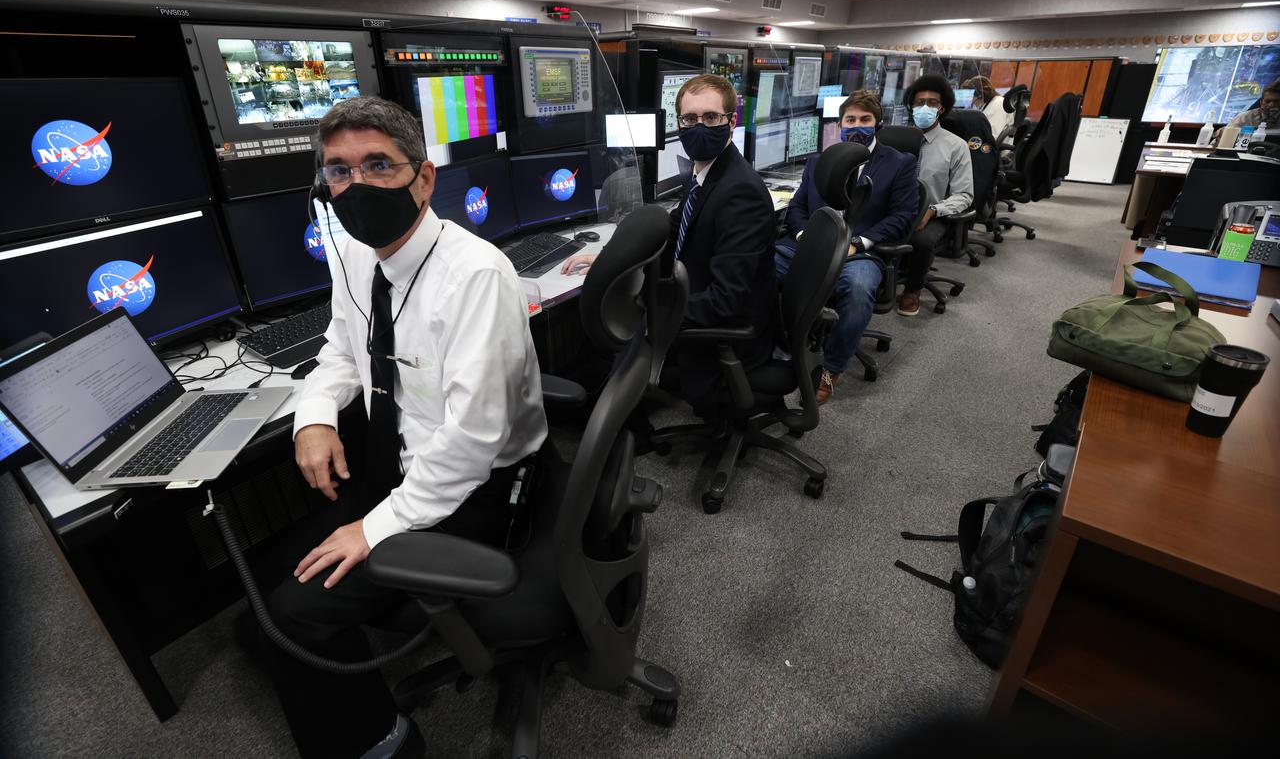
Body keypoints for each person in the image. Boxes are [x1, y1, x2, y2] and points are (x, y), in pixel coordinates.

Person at [264, 97, 547, 759]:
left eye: (377, 165)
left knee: (293, 612)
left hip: (479, 487)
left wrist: (374, 527)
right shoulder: (357, 254)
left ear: (423, 178)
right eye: (338, 171)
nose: (354, 185)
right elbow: (340, 346)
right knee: (277, 572)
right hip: (400, 462)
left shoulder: (475, 275)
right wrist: (314, 416)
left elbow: (473, 444)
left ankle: (382, 743)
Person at [561, 73, 776, 410]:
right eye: (690, 118)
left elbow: (726, 300)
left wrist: (649, 308)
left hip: (726, 333)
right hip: (697, 299)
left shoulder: (740, 192)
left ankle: (606, 424)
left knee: (609, 336)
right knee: (597, 334)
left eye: (711, 117)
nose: (699, 126)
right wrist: (610, 260)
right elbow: (673, 227)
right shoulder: (706, 173)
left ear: (731, 122)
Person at [776, 90, 918, 403]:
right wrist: (804, 235)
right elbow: (798, 207)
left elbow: (903, 217)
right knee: (762, 267)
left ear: (877, 125)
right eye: (850, 119)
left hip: (860, 252)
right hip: (810, 246)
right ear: (840, 124)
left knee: (858, 289)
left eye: (865, 120)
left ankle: (832, 367)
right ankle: (776, 346)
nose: (857, 125)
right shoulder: (819, 161)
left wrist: (858, 243)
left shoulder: (899, 164)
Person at [898, 74, 974, 317]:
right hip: (897, 208)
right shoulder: (894, 140)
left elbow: (964, 195)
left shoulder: (956, 146)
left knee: (921, 240)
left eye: (932, 103)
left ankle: (913, 288)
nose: (925, 107)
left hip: (933, 212)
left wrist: (933, 210)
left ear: (942, 108)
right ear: (911, 105)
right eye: (919, 102)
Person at [1213, 78, 1280, 143]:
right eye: (1267, 101)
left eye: (1276, 101)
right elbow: (1226, 136)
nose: (1271, 104)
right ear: (1261, 102)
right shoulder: (1245, 118)